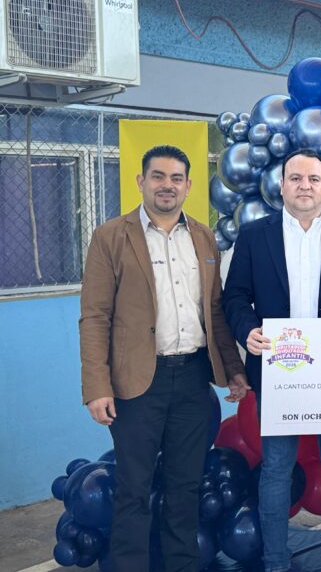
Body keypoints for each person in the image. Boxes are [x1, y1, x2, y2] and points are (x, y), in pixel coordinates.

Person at [79, 144, 249, 572]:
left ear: (188, 186)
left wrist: (233, 370)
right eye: (158, 176)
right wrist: (97, 387)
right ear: (141, 181)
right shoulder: (110, 237)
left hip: (192, 380)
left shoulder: (203, 237)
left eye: (176, 178)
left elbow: (214, 311)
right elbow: (95, 317)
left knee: (184, 488)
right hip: (138, 384)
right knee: (133, 490)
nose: (167, 186)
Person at [222, 149, 321, 572]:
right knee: (276, 468)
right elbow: (235, 296)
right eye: (296, 178)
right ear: (282, 185)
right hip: (277, 369)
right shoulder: (254, 235)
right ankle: (275, 562)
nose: (305, 186)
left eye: (313, 179)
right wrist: (247, 330)